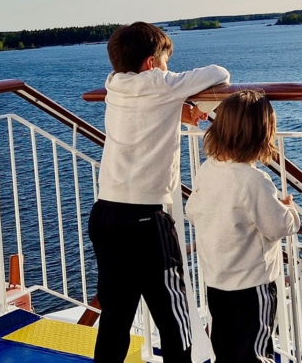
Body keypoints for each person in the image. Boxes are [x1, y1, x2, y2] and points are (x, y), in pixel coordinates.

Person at [89, 22, 230, 363]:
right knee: (174, 319)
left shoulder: (115, 84)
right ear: (152, 64)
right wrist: (175, 93)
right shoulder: (160, 82)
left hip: (105, 215)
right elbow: (218, 72)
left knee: (116, 316)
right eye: (165, 61)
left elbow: (146, 109)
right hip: (145, 221)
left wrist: (174, 107)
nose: (168, 69)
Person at [185, 90, 299, 363]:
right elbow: (277, 226)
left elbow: (192, 210)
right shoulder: (254, 180)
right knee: (256, 353)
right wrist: (289, 209)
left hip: (216, 283)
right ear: (262, 135)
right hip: (252, 286)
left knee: (226, 351)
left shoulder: (208, 169)